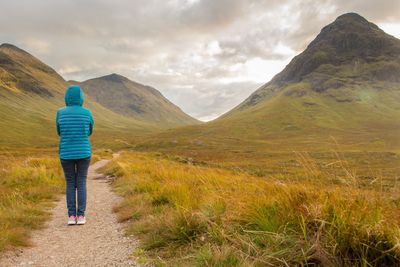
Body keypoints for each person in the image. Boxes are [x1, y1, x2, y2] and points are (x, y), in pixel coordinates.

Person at [56, 85, 94, 225]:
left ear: (66, 97)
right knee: (81, 182)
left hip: (66, 153)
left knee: (70, 183)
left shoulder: (60, 112)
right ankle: (81, 216)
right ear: (81, 98)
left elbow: (59, 131)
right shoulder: (87, 112)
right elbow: (89, 131)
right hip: (84, 152)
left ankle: (71, 216)